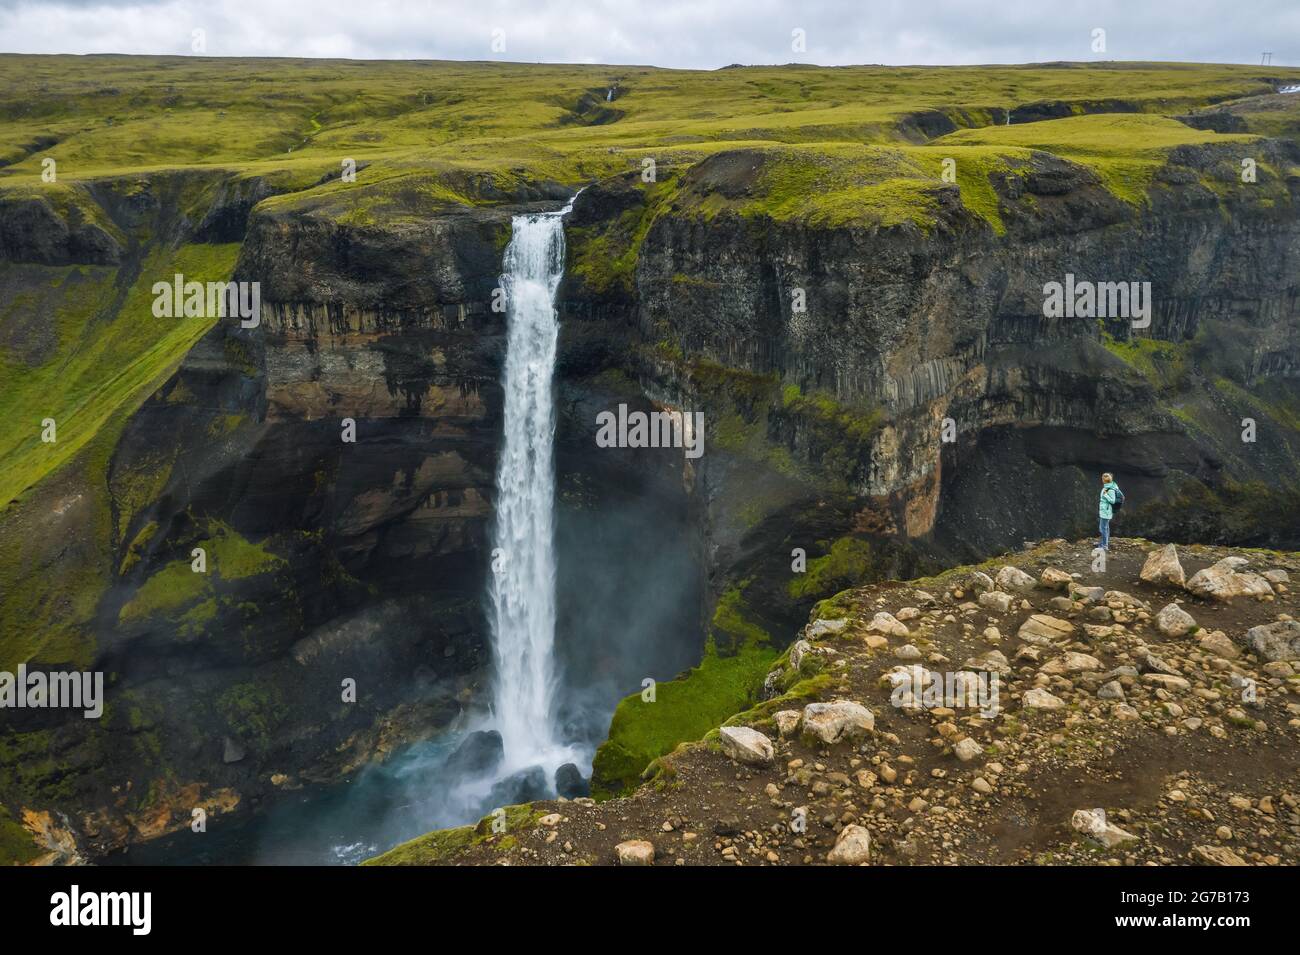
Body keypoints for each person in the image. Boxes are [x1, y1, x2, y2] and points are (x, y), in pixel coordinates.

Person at [1097, 472, 1122, 550]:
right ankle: (1103, 543)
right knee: (1105, 528)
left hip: (1106, 512)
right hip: (1104, 511)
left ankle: (1104, 546)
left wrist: (1105, 495)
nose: (1102, 480)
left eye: (1103, 479)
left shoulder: (1110, 489)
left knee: (1102, 528)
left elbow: (1113, 501)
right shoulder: (1107, 487)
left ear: (1104, 480)